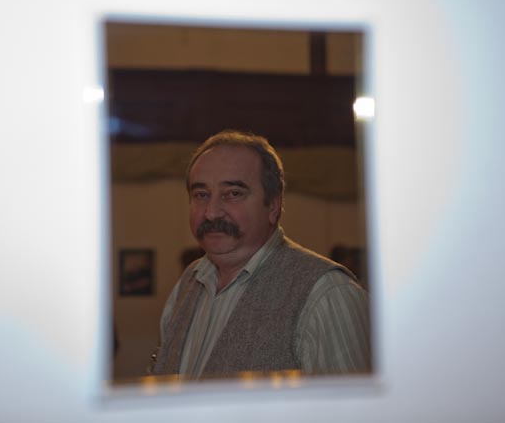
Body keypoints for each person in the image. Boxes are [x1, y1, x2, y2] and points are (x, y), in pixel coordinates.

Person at [151, 130, 370, 378]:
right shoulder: (187, 285)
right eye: (201, 195)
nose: (211, 212)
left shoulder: (328, 294)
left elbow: (355, 402)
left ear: (273, 206)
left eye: (233, 193)